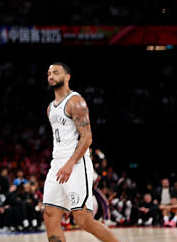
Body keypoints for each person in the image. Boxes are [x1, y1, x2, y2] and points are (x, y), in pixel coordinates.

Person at [43, 63, 120, 242]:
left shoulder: (76, 102)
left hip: (76, 164)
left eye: (56, 72)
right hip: (57, 163)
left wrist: (70, 164)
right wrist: (60, 164)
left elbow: (87, 137)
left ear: (67, 77)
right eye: (49, 74)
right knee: (49, 215)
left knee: (83, 219)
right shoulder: (50, 108)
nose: (51, 76)